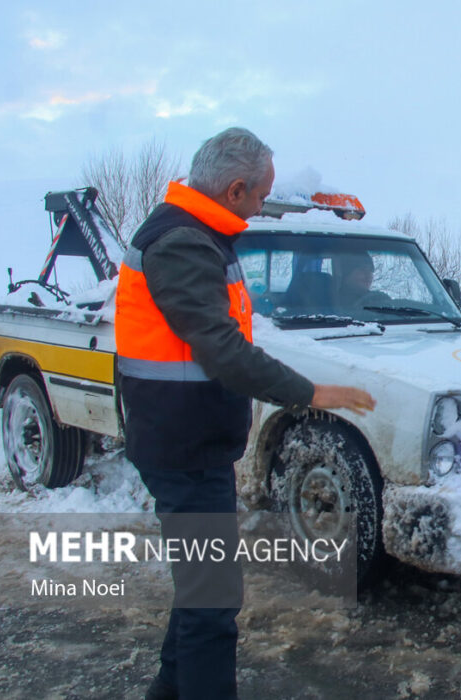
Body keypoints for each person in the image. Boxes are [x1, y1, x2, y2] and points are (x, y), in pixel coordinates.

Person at [114, 127, 376, 700]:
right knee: (212, 602)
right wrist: (313, 392)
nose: (262, 207)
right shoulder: (183, 243)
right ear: (234, 189)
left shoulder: (195, 233)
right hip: (182, 449)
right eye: (260, 196)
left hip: (188, 442)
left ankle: (167, 689)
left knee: (199, 588)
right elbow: (223, 351)